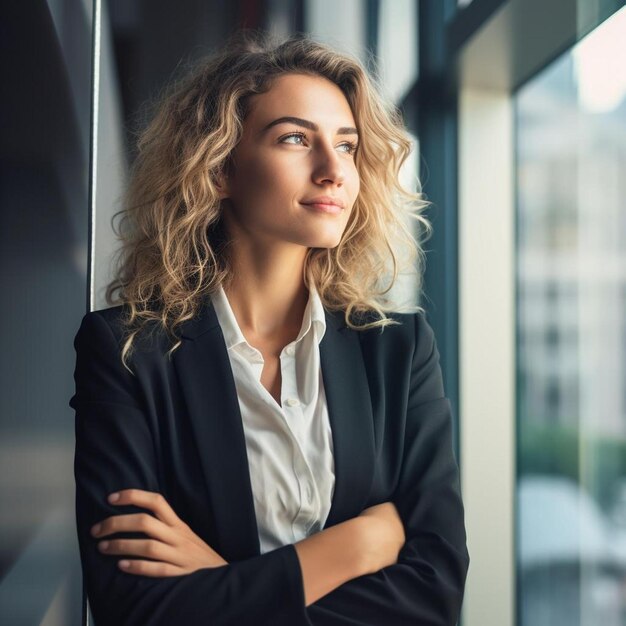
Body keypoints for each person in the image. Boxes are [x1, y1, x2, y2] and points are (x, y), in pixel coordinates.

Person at [70, 29, 469, 626]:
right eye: (294, 139)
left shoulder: (399, 351)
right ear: (219, 167)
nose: (334, 171)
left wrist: (218, 584)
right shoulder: (128, 351)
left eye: (347, 145)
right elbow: (132, 609)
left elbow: (434, 594)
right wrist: (353, 548)